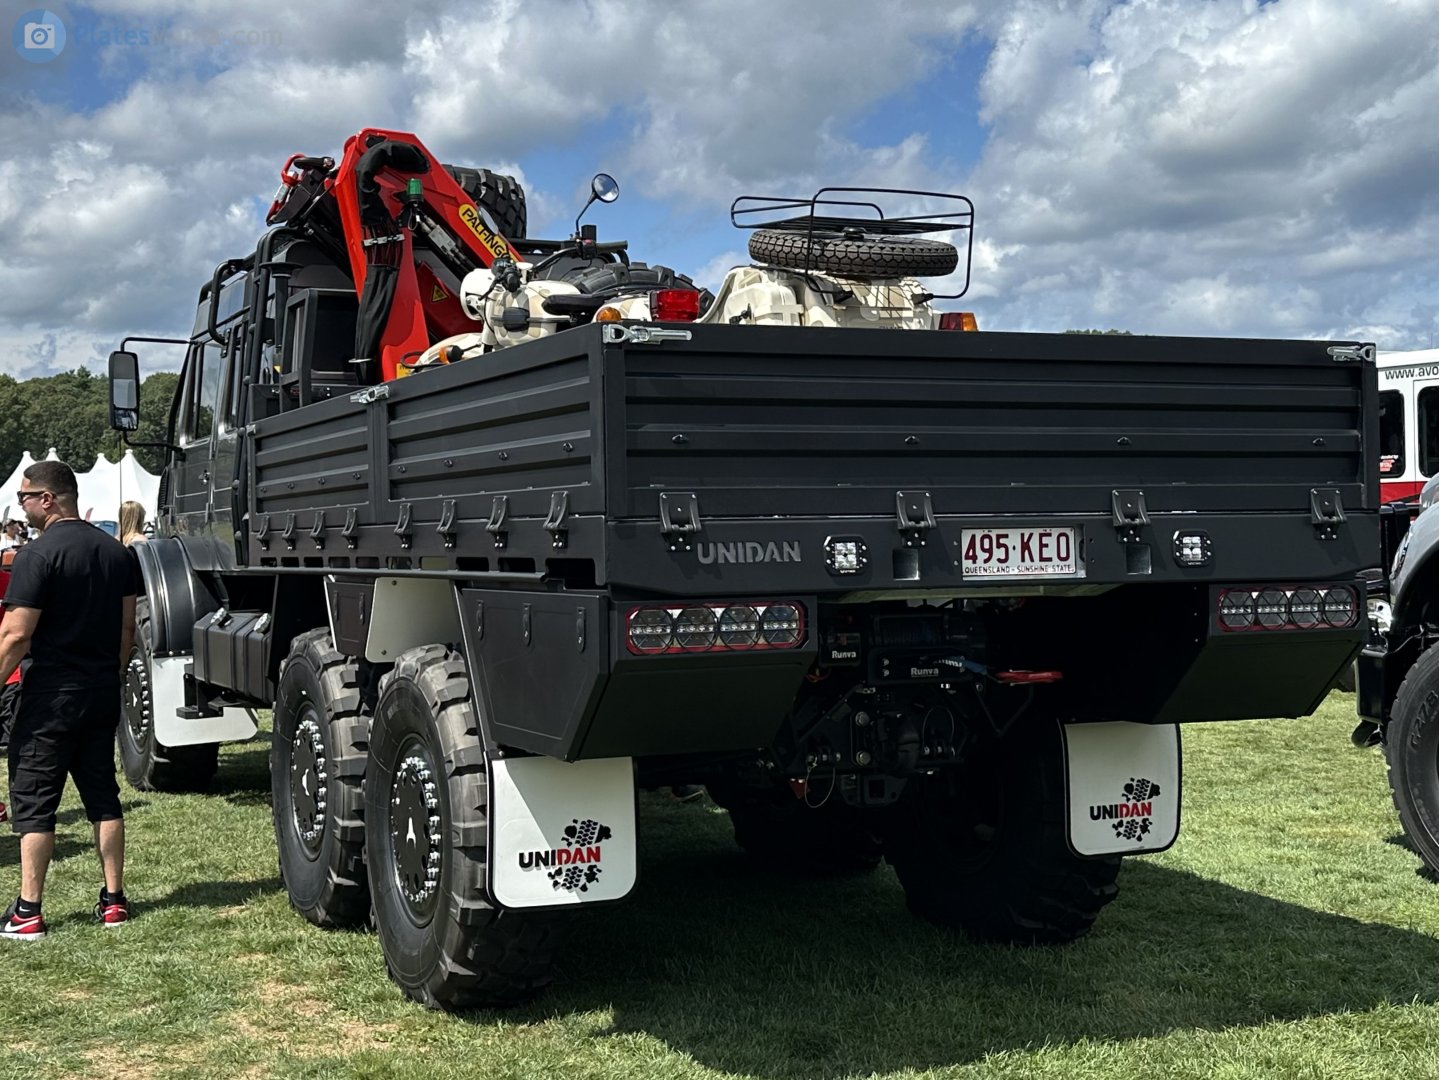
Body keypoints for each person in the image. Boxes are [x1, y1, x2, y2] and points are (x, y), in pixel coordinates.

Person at [0, 461, 139, 940]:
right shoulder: (118, 554)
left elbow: (15, 635)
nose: (22, 506)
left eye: (24, 497)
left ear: (48, 499)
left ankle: (28, 911)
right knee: (103, 795)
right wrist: (114, 675)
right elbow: (127, 629)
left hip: (50, 697)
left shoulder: (36, 557)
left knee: (35, 801)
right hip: (101, 691)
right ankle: (114, 901)